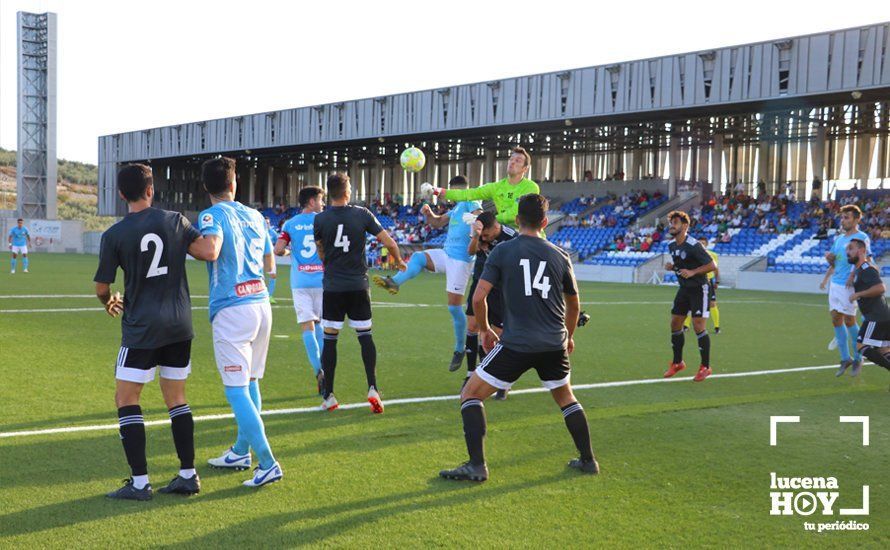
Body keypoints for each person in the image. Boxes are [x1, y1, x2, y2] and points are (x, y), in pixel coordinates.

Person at [439, 194, 598, 482]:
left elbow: (478, 297)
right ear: (545, 222)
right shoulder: (560, 255)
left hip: (517, 343)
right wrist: (569, 337)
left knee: (470, 394)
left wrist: (486, 329)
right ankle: (588, 460)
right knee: (566, 398)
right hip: (553, 342)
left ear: (519, 220)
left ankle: (477, 465)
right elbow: (574, 304)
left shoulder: (502, 252)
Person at [94, 163, 215, 500]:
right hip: (179, 323)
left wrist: (109, 301)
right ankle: (188, 475)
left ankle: (139, 483)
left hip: (141, 327)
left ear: (121, 194)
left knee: (126, 397)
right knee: (176, 398)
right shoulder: (176, 220)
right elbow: (207, 251)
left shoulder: (114, 235)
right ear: (151, 190)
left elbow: (102, 287)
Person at [199, 157, 282, 488]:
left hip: (233, 309)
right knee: (251, 383)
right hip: (261, 303)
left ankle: (268, 462)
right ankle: (240, 451)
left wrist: (185, 242)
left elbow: (211, 250)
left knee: (236, 390)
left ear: (207, 188)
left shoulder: (212, 215)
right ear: (234, 184)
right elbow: (270, 261)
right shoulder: (255, 216)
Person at [313, 172, 406, 412]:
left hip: (333, 286)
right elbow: (390, 243)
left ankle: (329, 396)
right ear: (347, 192)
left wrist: (331, 263)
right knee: (365, 336)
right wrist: (398, 261)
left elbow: (320, 251)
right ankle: (373, 387)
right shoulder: (362, 214)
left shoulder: (320, 219)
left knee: (330, 339)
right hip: (358, 285)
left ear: (329, 192)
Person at [373, 175, 482, 371]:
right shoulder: (457, 207)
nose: (451, 196)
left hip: (461, 260)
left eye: (454, 192)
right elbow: (438, 223)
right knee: (418, 258)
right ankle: (395, 282)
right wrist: (429, 213)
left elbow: (479, 215)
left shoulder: (469, 201)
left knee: (453, 307)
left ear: (461, 190)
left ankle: (459, 349)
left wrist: (475, 218)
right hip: (447, 254)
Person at [274, 186, 326, 394]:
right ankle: (325, 369)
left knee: (307, 328)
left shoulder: (291, 223)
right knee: (321, 326)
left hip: (300, 283)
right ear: (312, 201)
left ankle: (317, 371)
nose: (323, 204)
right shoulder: (324, 220)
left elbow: (278, 249)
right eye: (321, 200)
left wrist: (289, 251)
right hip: (322, 282)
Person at [465, 211, 516, 399]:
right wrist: (477, 236)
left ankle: (502, 381)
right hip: (480, 284)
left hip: (501, 290)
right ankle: (474, 374)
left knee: (498, 336)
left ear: (495, 227)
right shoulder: (481, 235)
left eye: (486, 235)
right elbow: (471, 251)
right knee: (473, 327)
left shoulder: (511, 237)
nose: (484, 239)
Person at [663, 211, 717, 382]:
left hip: (700, 289)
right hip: (684, 289)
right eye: (671, 222)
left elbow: (712, 265)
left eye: (676, 222)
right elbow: (682, 266)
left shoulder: (694, 245)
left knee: (698, 325)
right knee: (675, 323)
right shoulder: (672, 245)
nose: (672, 225)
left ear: (685, 226)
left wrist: (693, 272)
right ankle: (677, 363)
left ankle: (705, 367)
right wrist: (673, 268)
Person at [426, 147, 539, 228]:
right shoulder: (496, 187)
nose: (512, 162)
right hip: (506, 234)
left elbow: (514, 215)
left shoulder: (530, 187)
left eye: (518, 161)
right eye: (511, 159)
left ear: (525, 168)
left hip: (527, 235)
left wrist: (484, 219)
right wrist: (438, 191)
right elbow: (468, 194)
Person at [820, 205, 870, 376]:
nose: (843, 220)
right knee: (835, 319)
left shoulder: (862, 237)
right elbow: (834, 263)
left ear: (857, 219)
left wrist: (853, 274)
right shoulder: (839, 239)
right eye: (842, 217)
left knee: (849, 320)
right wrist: (830, 259)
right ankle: (845, 358)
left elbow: (866, 260)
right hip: (836, 284)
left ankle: (858, 357)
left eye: (847, 217)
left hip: (850, 285)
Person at [847, 238, 890, 374]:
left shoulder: (867, 269)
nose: (848, 252)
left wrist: (859, 294)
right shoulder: (861, 269)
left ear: (861, 251)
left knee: (861, 345)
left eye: (851, 248)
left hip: (875, 316)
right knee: (883, 350)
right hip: (882, 315)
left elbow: (881, 288)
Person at [684, 237, 721, 334]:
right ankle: (686, 325)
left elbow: (716, 269)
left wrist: (717, 282)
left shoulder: (713, 255)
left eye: (703, 243)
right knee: (692, 303)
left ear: (707, 244)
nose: (702, 244)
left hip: (709, 281)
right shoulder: (693, 255)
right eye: (700, 243)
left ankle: (717, 327)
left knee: (712, 304)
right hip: (696, 281)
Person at [265, 217, 279, 304]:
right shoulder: (258, 230)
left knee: (273, 276)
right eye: (265, 223)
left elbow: (278, 242)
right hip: (259, 258)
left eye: (268, 223)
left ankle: (269, 296)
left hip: (270, 258)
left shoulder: (273, 233)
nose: (267, 224)